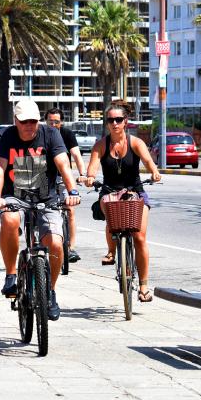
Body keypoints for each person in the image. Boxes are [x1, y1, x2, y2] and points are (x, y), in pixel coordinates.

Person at [0, 99, 81, 321]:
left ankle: (49, 291)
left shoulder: (50, 134)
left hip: (46, 197)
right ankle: (11, 275)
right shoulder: (6, 135)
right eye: (24, 122)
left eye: (33, 121)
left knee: (57, 243)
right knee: (10, 221)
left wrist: (73, 191)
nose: (30, 126)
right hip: (14, 196)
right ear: (16, 121)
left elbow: (63, 164)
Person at [84, 101, 162, 302]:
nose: (115, 124)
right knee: (111, 212)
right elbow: (92, 167)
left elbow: (148, 161)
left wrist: (154, 172)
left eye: (118, 120)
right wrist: (90, 177)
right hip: (109, 192)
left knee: (140, 238)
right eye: (111, 120)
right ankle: (112, 251)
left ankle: (144, 286)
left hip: (135, 192)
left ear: (125, 122)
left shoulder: (135, 142)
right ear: (107, 123)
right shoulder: (101, 145)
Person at [45, 107, 87, 263]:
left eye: (57, 122)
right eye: (51, 121)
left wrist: (82, 174)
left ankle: (70, 248)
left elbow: (76, 154)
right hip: (44, 179)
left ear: (61, 122)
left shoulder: (67, 134)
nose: (54, 124)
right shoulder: (41, 133)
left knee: (70, 210)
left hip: (63, 178)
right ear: (46, 121)